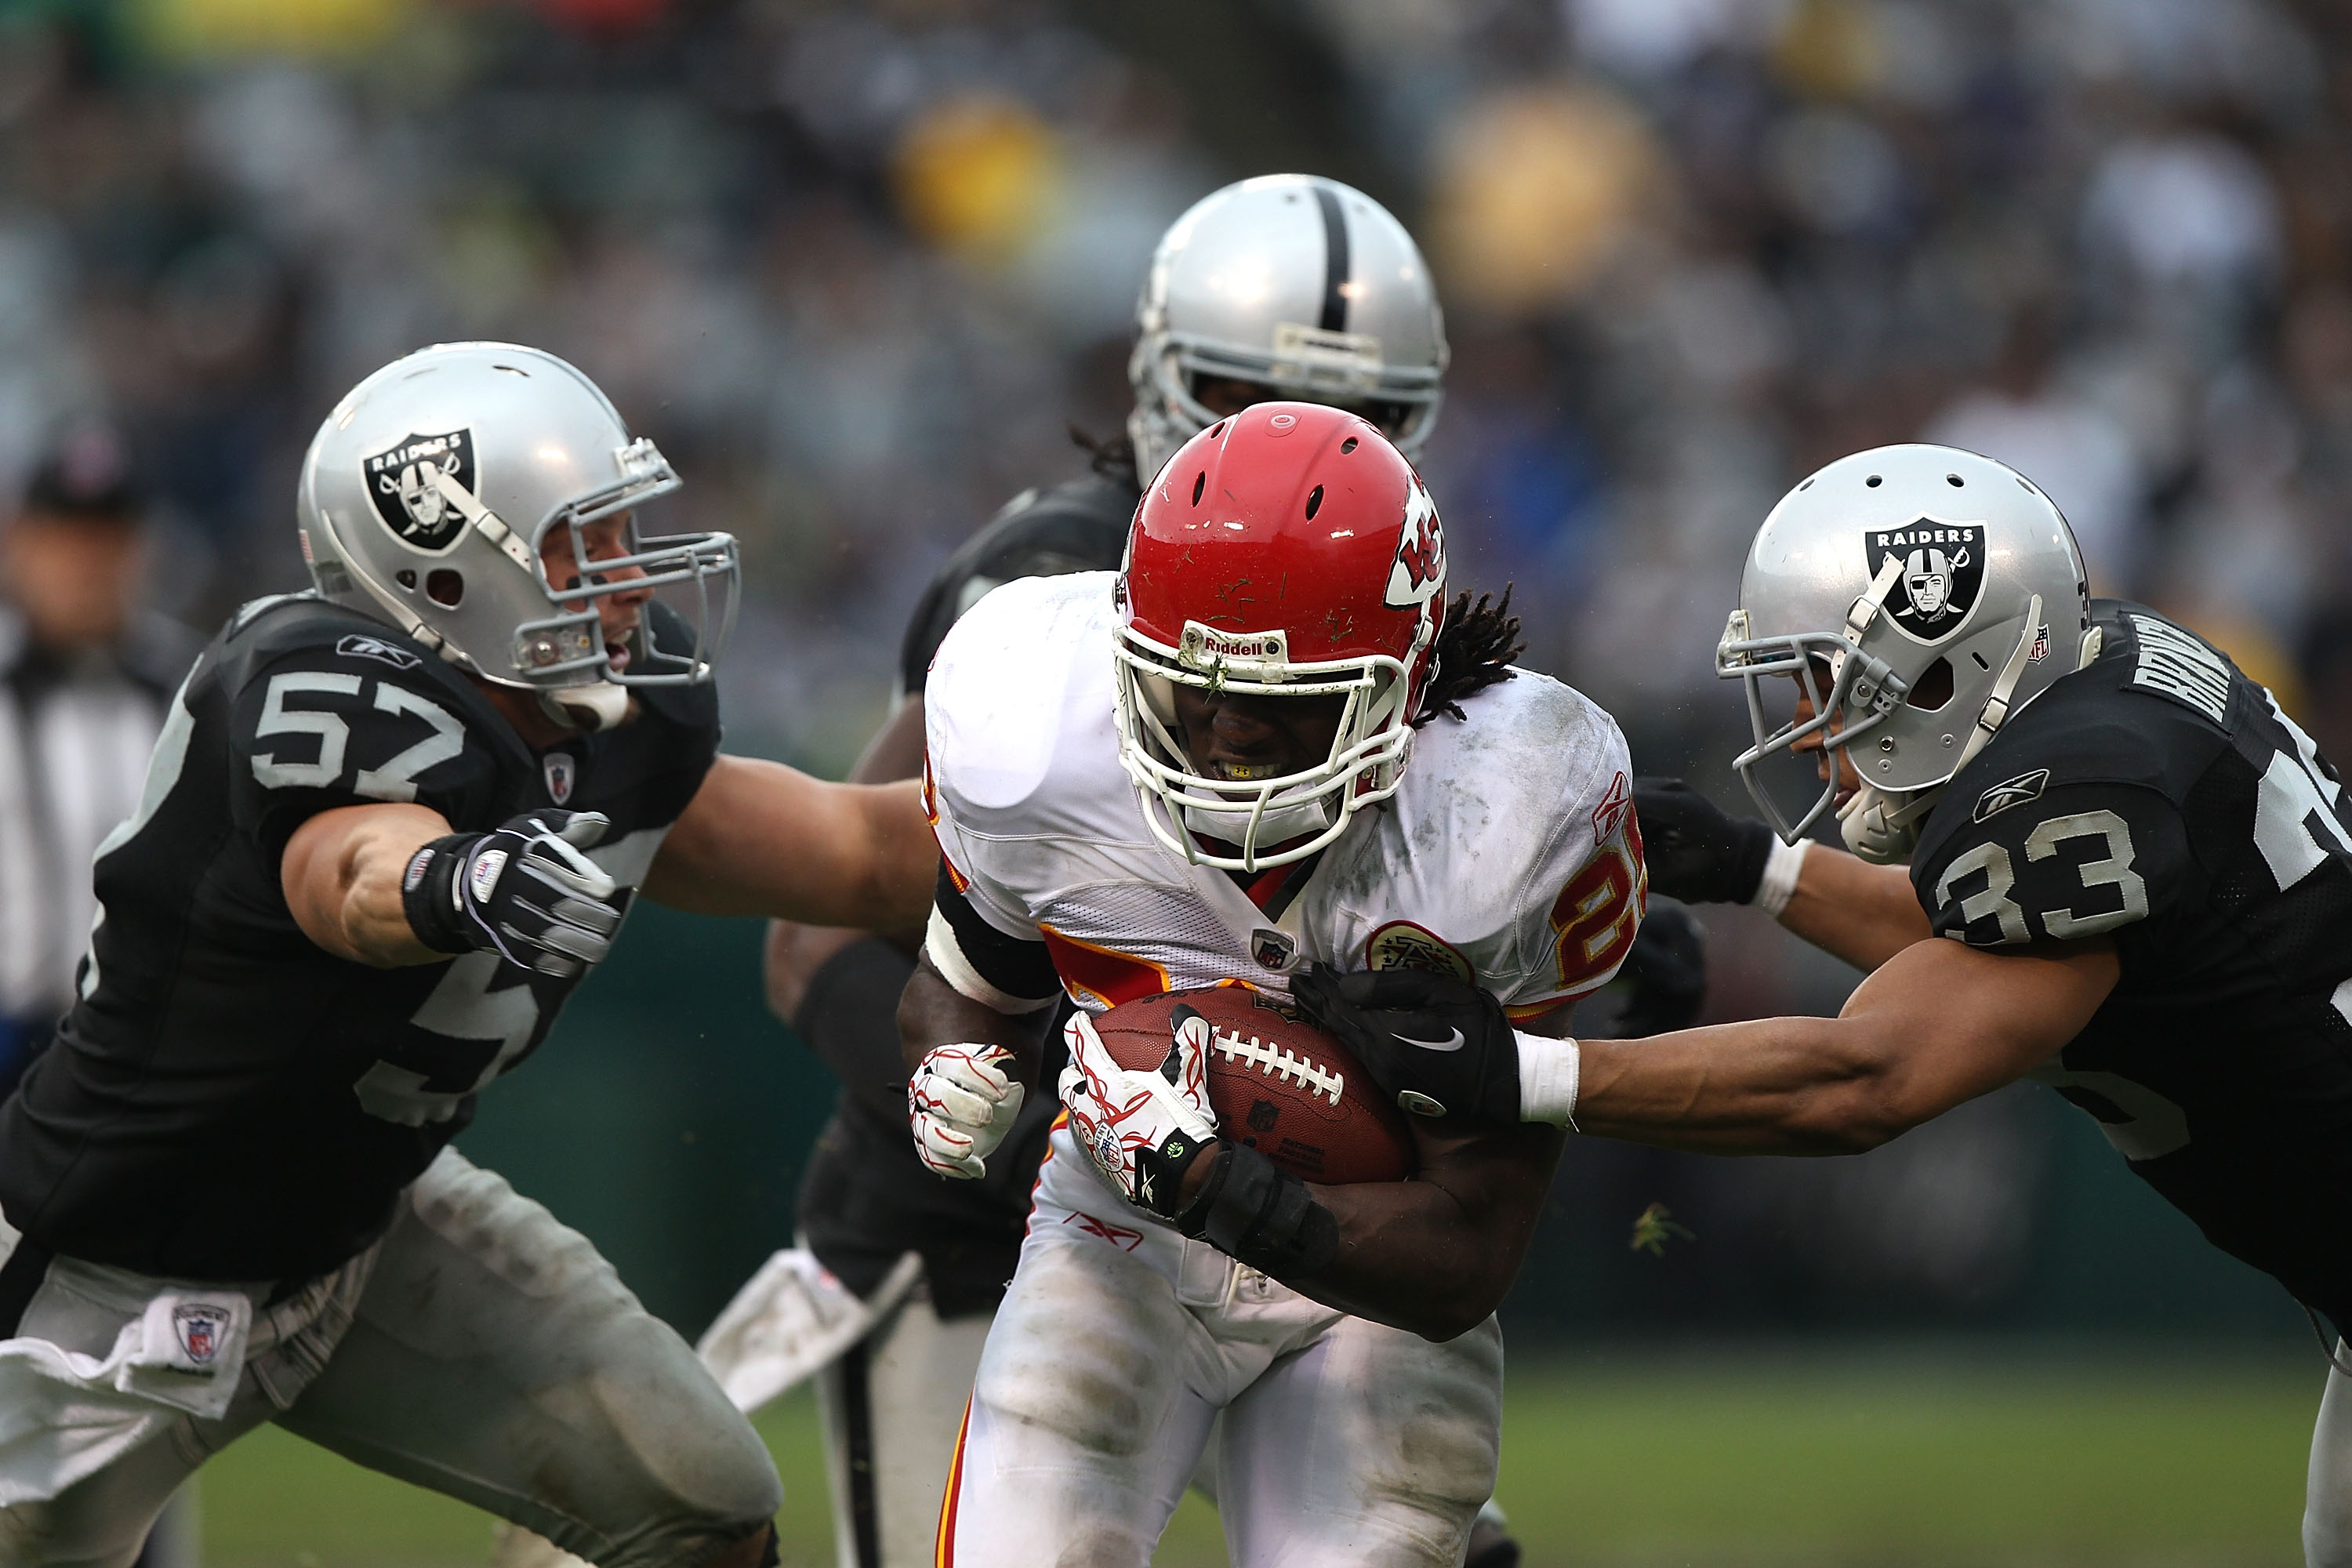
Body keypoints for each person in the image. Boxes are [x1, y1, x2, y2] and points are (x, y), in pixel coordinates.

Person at [1290, 441, 2352, 1568]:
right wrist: (1756, 868)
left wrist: (1516, 1077)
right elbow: (1984, 950)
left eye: (1824, 681)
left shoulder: (2083, 800)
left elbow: (1869, 1078)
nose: (1804, 721)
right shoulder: (2104, 682)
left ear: (1944, 667)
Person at [0, 341, 938, 1566]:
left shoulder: (605, 722)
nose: (623, 578)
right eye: (577, 546)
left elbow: (854, 855)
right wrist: (458, 878)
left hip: (360, 1235)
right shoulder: (319, 679)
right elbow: (349, 870)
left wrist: (1114, 827)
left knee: (698, 1507)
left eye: (618, 533)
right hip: (111, 1287)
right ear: (441, 568)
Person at [902, 401, 1646, 1566]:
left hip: (1376, 1280)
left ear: (1405, 680)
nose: (1225, 733)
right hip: (1119, 1225)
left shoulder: (1511, 805)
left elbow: (1468, 1252)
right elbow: (961, 983)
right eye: (1190, 688)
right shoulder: (1040, 730)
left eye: (1279, 700)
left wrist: (1221, 1186)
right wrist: (952, 1065)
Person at [0, 428, 194, 1095]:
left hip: (147, 1053)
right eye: (64, 539)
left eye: (108, 541)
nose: (86, 564)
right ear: (18, 544)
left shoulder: (195, 692)